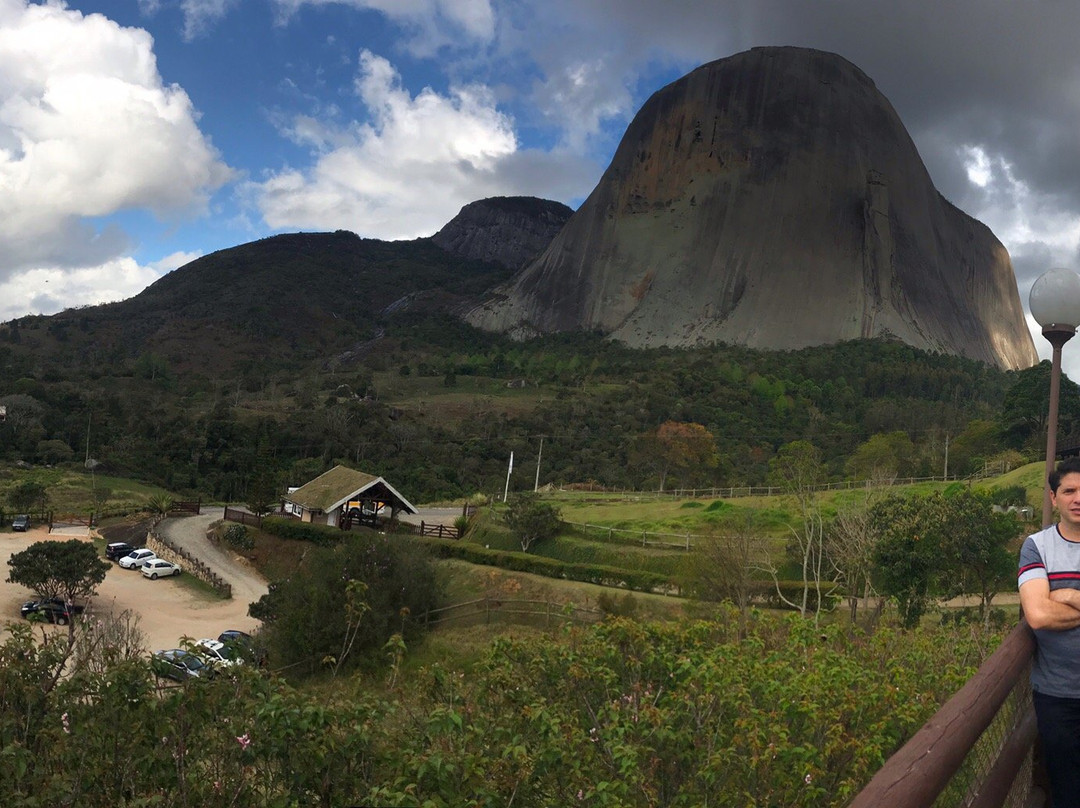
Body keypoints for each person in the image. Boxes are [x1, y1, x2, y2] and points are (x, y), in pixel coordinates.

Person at [1019, 456, 1080, 808]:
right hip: (1057, 696)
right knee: (1066, 788)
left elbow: (1048, 606)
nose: (1077, 498)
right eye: (1068, 491)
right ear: (1054, 498)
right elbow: (1039, 615)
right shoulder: (1036, 546)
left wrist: (1069, 595)